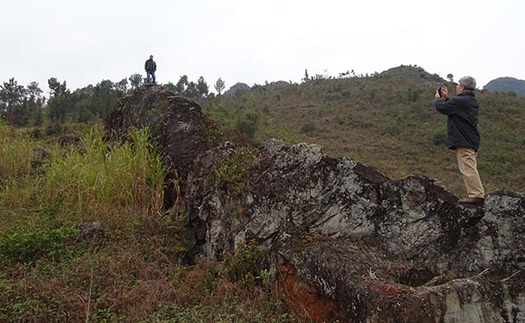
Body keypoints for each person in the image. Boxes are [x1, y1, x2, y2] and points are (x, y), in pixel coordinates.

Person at [433, 76, 485, 206]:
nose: (456, 87)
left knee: (468, 168)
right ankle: (474, 194)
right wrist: (445, 99)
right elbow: (452, 107)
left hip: (464, 140)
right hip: (470, 139)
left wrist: (438, 99)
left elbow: (442, 108)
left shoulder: (461, 101)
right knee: (469, 167)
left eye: (458, 85)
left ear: (461, 87)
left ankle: (476, 195)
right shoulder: (469, 100)